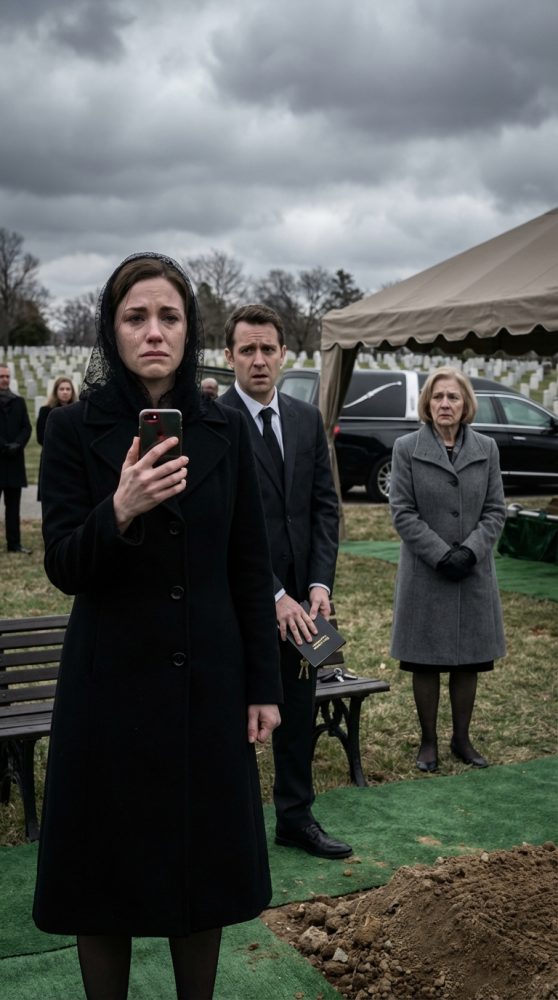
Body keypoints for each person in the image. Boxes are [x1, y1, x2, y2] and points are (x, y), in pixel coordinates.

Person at [33, 253, 282, 1000]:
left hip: (207, 682)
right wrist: (120, 509)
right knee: (101, 875)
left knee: (199, 869)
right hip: (108, 686)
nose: (153, 332)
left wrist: (263, 685)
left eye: (168, 316)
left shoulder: (225, 430)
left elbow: (249, 566)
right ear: (111, 331)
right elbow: (63, 565)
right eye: (135, 317)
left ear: (188, 329)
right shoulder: (72, 428)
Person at [221, 304, 352, 860]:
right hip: (239, 600)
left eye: (267, 349)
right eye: (247, 350)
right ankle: (232, 829)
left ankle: (295, 817)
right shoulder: (214, 421)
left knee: (298, 713)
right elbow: (222, 523)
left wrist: (318, 584)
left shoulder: (304, 418)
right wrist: (273, 593)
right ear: (229, 356)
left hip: (304, 605)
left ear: (283, 354)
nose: (258, 360)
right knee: (236, 717)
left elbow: (323, 508)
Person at [389, 366, 506, 773]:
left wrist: (471, 552)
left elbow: (495, 510)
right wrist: (440, 554)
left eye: (453, 397)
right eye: (437, 396)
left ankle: (462, 738)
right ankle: (428, 742)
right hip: (426, 571)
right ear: (427, 402)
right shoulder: (406, 448)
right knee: (424, 660)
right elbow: (402, 512)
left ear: (465, 403)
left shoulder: (487, 448)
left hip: (473, 571)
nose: (444, 404)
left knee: (468, 659)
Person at [0, 363, 32, 553]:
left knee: (13, 507)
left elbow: (26, 427)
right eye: (1, 376)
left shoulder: (18, 401)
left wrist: (18, 444)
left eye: (7, 376)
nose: (4, 379)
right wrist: (4, 445)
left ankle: (14, 544)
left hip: (14, 462)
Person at [36, 376, 77, 500]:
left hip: (73, 460)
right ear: (56, 391)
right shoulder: (45, 411)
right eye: (61, 389)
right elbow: (40, 437)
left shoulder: (78, 412)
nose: (65, 392)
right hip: (51, 458)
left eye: (68, 389)